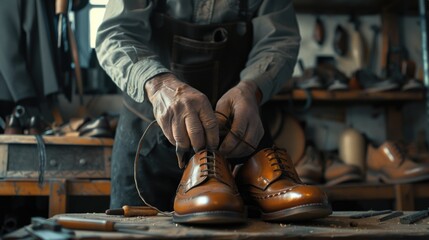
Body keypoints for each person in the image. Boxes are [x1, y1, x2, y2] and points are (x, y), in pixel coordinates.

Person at [96, 0, 331, 224]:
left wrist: (252, 88)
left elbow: (280, 39)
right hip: (148, 140)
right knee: (134, 232)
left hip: (239, 133)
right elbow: (115, 33)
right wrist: (158, 84)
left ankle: (232, 173)